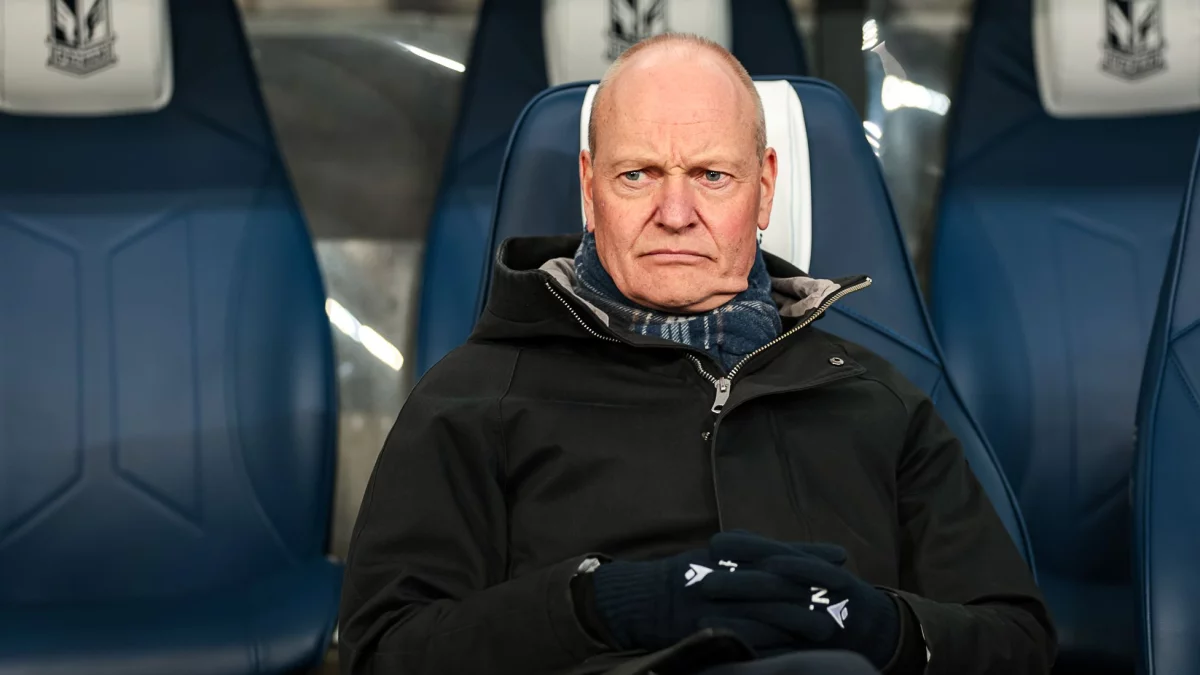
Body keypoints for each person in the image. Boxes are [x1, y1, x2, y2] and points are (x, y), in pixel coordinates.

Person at [338, 33, 1056, 675]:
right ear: (589, 188)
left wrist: (887, 628)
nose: (675, 214)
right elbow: (386, 650)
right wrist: (596, 605)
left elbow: (1018, 639)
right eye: (638, 175)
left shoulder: (876, 398)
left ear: (764, 188)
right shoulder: (472, 398)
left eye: (712, 175)